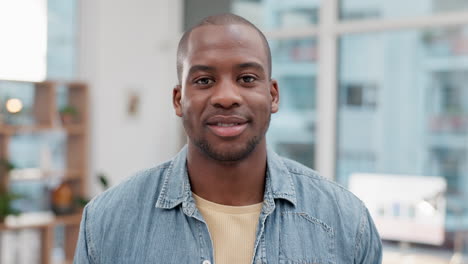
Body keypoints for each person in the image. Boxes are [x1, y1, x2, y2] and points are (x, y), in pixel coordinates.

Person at [74, 13, 382, 264]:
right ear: (178, 100)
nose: (225, 97)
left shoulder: (345, 221)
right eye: (204, 80)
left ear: (272, 95)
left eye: (246, 78)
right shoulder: (107, 221)